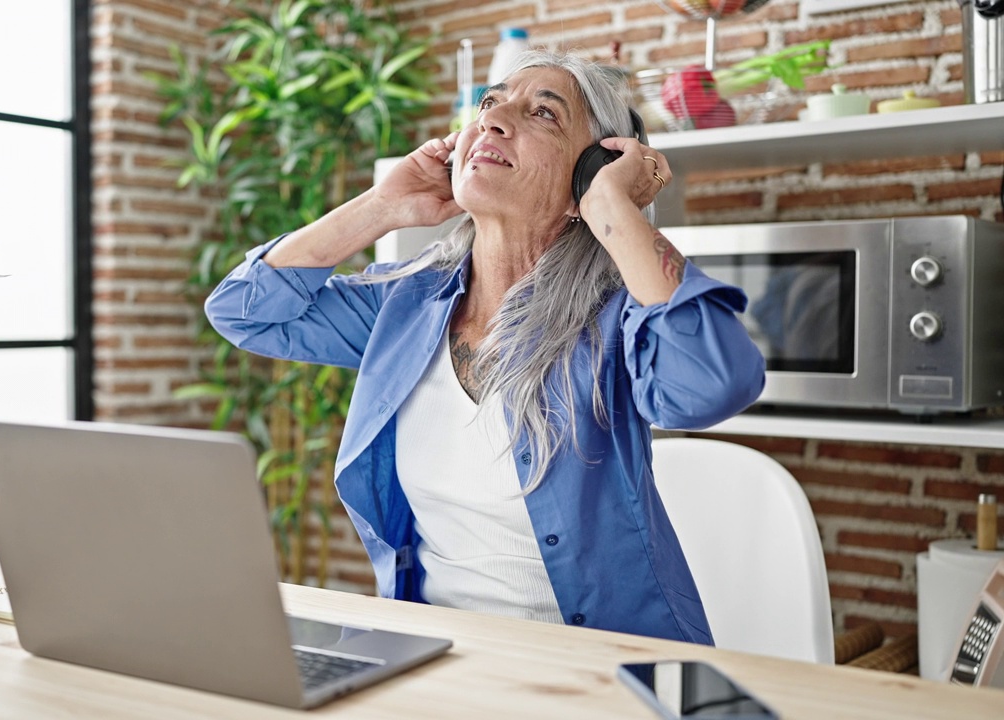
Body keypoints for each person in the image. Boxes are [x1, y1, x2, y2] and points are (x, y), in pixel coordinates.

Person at [205, 50, 765, 644]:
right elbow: (246, 311)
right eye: (490, 104)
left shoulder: (618, 315)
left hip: (601, 671)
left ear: (590, 172)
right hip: (436, 660)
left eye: (543, 113)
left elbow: (712, 382)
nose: (493, 121)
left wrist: (611, 208)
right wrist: (385, 206)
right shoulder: (406, 308)